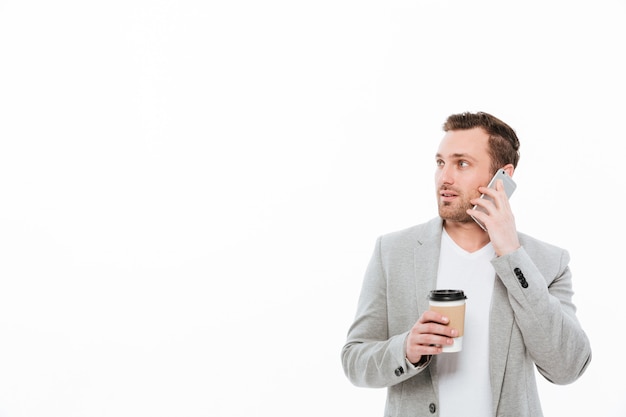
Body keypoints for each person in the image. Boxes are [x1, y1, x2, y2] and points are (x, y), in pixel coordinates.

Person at [341, 111, 591, 417]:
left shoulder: (546, 262)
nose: (445, 177)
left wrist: (511, 253)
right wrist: (406, 349)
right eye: (440, 162)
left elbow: (567, 367)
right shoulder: (393, 252)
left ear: (504, 177)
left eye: (462, 163)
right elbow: (354, 360)